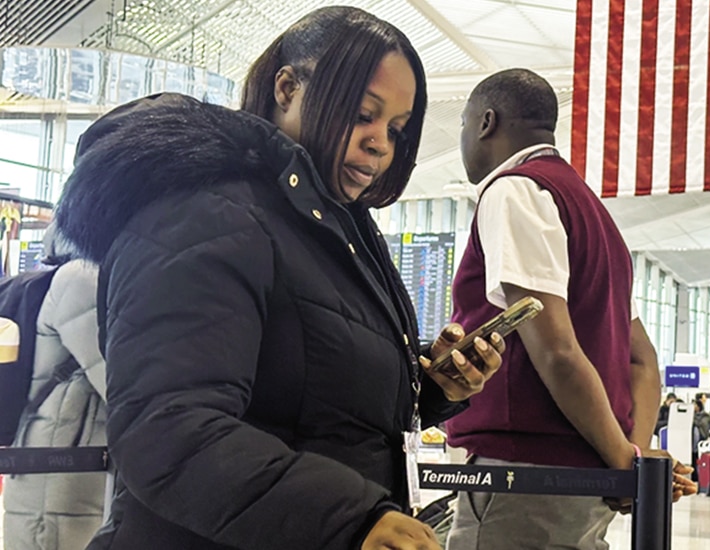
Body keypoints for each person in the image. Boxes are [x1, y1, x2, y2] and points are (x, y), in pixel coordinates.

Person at [54, 8, 506, 550]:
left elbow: (308, 393)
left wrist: (430, 386)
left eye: (396, 129)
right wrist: (350, 519)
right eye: (364, 113)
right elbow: (169, 430)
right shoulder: (205, 212)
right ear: (287, 88)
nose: (380, 144)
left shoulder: (328, 225)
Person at [443, 68, 693, 550]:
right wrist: (628, 458)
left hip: (527, 479)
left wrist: (624, 461)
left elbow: (555, 349)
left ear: (486, 122)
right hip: (588, 481)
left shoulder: (514, 190)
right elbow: (642, 361)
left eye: (463, 123)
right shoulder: (594, 217)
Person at [2, 228, 107, 550]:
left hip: (52, 465)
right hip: (62, 478)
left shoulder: (61, 277)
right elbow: (121, 386)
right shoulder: (83, 279)